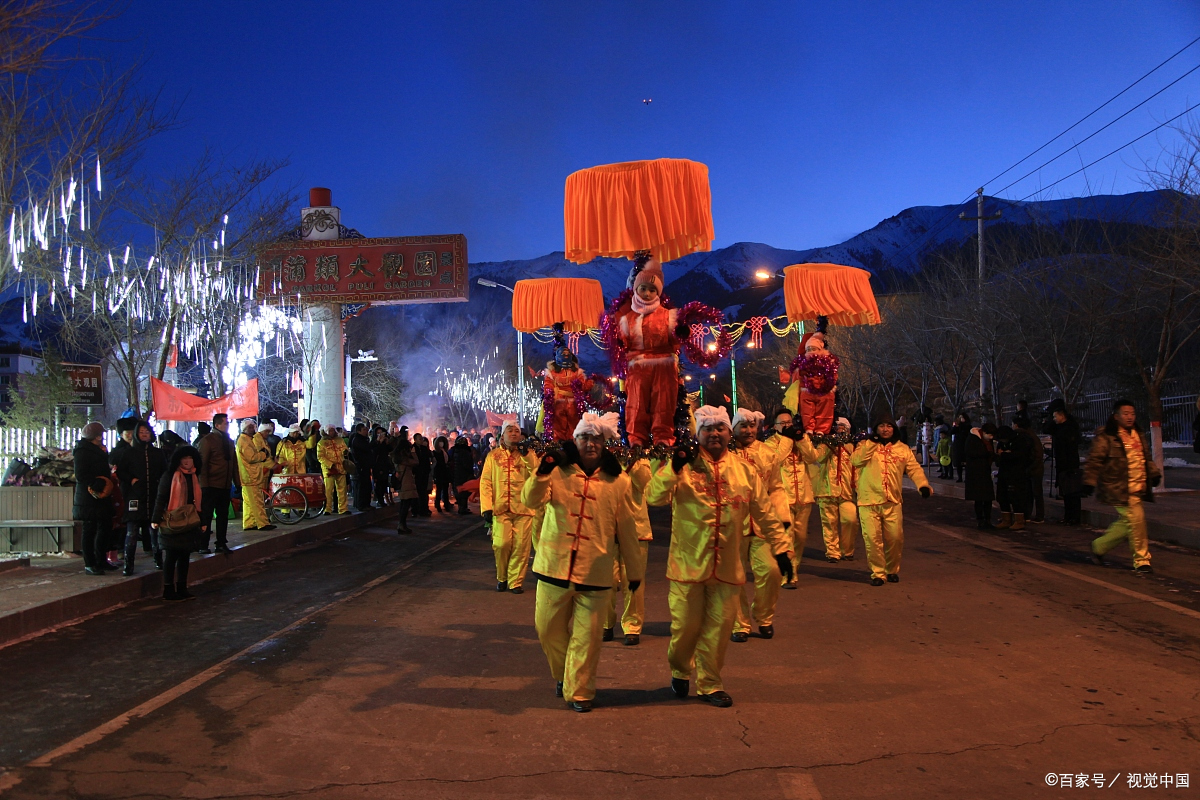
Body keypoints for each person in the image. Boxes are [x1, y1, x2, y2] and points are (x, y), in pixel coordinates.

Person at [646, 406, 792, 708]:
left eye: (720, 428)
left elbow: (764, 511)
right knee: (685, 630)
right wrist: (674, 467)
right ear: (697, 433)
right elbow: (653, 497)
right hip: (688, 567)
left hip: (727, 568)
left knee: (719, 630)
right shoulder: (682, 466)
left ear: (729, 433)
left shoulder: (744, 470)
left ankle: (710, 683)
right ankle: (680, 667)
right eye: (707, 429)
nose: (714, 433)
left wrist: (781, 548)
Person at [521, 411, 647, 712]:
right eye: (584, 437)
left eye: (596, 438)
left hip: (597, 572)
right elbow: (530, 500)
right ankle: (564, 675)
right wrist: (541, 471)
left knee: (588, 638)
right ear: (574, 440)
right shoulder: (555, 472)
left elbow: (627, 528)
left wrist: (634, 571)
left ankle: (580, 691)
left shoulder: (619, 481)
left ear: (605, 444)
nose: (590, 443)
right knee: (547, 630)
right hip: (554, 567)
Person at [729, 408, 792, 641]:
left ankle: (764, 616)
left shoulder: (767, 453)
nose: (748, 431)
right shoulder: (725, 454)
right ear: (733, 429)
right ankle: (740, 624)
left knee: (772, 571)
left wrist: (783, 518)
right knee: (734, 576)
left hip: (762, 522)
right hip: (733, 522)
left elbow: (776, 487)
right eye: (743, 426)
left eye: (752, 426)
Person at [850, 411, 932, 586]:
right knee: (872, 539)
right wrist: (872, 443)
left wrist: (922, 485)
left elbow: (914, 469)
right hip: (868, 501)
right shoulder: (865, 445)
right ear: (876, 428)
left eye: (888, 426)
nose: (885, 429)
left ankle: (891, 569)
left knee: (895, 538)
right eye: (881, 426)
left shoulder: (902, 449)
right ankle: (878, 573)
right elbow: (856, 461)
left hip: (892, 502)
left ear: (894, 428)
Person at [1083, 399, 1161, 573]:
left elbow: (1145, 458)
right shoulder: (1106, 436)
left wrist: (1154, 473)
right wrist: (1089, 482)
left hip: (1137, 487)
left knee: (1129, 522)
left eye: (1132, 414)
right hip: (1117, 487)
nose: (1130, 417)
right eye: (1125, 414)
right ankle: (1141, 560)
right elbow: (1095, 460)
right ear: (1116, 416)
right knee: (1137, 520)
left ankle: (1099, 547)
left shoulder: (1137, 434)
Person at [480, 420, 538, 592]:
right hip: (500, 508)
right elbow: (485, 482)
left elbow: (537, 473)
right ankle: (502, 577)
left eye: (516, 431)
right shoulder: (493, 456)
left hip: (524, 508)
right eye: (509, 431)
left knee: (521, 547)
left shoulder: (528, 454)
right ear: (503, 435)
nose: (513, 434)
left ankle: (516, 582)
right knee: (502, 544)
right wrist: (487, 507)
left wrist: (526, 455)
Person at [799, 416, 859, 564]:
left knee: (850, 520)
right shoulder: (825, 446)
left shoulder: (851, 448)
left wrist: (858, 486)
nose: (840, 430)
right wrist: (826, 442)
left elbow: (857, 468)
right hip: (826, 490)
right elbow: (816, 458)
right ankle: (833, 552)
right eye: (838, 427)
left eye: (843, 428)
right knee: (829, 523)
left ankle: (848, 550)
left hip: (846, 492)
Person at [607, 457, 653, 645]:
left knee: (632, 582)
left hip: (636, 529)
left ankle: (632, 626)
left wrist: (631, 459)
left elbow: (645, 484)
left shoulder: (640, 458)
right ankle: (605, 623)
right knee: (605, 580)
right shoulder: (598, 456)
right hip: (606, 530)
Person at [152, 445, 206, 601]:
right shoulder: (169, 476)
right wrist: (155, 519)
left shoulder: (196, 476)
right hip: (172, 520)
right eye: (184, 458)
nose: (187, 461)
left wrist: (202, 521)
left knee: (185, 555)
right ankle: (168, 589)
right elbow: (161, 497)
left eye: (190, 458)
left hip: (190, 521)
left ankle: (182, 587)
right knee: (171, 556)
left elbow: (201, 501)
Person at [115, 421, 167, 575]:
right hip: (135, 496)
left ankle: (159, 560)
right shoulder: (128, 453)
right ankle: (128, 564)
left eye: (147, 432)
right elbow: (121, 472)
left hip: (153, 497)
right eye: (141, 432)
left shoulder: (157, 453)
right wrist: (132, 480)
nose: (144, 435)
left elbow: (164, 472)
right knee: (131, 531)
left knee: (154, 530)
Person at [73, 421, 114, 575]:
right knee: (89, 529)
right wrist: (98, 483)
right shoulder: (82, 451)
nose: (102, 438)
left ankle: (101, 559)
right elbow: (81, 475)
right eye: (100, 435)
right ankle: (90, 563)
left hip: (100, 495)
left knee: (104, 527)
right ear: (94, 437)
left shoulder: (97, 450)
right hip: (89, 496)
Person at [198, 413, 237, 554]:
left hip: (225, 485)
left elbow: (234, 463)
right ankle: (203, 544)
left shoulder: (229, 441)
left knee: (223, 515)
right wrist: (204, 485)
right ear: (217, 425)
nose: (227, 425)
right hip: (210, 485)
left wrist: (237, 482)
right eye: (225, 423)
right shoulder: (208, 441)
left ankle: (221, 542)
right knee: (207, 516)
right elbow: (202, 464)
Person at [1044, 400, 1083, 525]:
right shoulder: (1058, 427)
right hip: (1062, 462)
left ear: (1061, 414)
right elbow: (1046, 429)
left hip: (1070, 463)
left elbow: (1071, 443)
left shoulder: (1070, 427)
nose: (1054, 419)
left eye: (1055, 416)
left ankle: (1074, 517)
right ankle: (1068, 516)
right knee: (1066, 491)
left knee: (1073, 492)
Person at [236, 419, 277, 531]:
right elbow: (251, 458)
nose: (253, 429)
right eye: (251, 427)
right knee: (257, 501)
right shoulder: (244, 441)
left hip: (248, 476)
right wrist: (263, 454)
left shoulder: (245, 440)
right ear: (245, 429)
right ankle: (262, 523)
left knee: (249, 502)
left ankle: (249, 522)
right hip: (251, 476)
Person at [992, 426, 1031, 531]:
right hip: (1004, 472)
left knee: (1016, 497)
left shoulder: (1020, 441)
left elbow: (1020, 457)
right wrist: (1004, 455)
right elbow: (998, 457)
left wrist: (1004, 454)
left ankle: (1019, 520)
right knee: (1002, 496)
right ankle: (1006, 519)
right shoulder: (1002, 443)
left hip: (1016, 474)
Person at [964, 423, 998, 528]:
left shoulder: (987, 441)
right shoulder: (973, 438)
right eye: (989, 435)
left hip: (985, 471)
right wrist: (987, 454)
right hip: (975, 472)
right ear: (984, 432)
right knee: (979, 498)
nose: (991, 437)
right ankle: (980, 520)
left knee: (988, 498)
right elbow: (971, 453)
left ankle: (987, 520)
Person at [1014, 415, 1045, 523]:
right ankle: (1029, 514)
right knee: (1030, 493)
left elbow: (1037, 454)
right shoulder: (1029, 435)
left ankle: (1039, 516)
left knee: (1036, 493)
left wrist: (1030, 467)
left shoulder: (1028, 436)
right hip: (1032, 467)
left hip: (1034, 468)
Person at [317, 423, 350, 515]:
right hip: (328, 470)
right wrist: (330, 465)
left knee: (342, 490)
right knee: (328, 490)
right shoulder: (321, 443)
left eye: (332, 430)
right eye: (329, 431)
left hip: (341, 468)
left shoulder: (340, 440)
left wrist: (346, 452)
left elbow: (344, 449)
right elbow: (320, 457)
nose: (331, 432)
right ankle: (327, 509)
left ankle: (343, 508)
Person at [391, 432, 419, 533]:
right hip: (406, 483)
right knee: (405, 505)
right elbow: (416, 462)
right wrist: (413, 452)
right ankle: (402, 525)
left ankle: (402, 524)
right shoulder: (404, 459)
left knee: (404, 504)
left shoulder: (397, 457)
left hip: (403, 482)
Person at [349, 423, 374, 512]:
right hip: (361, 466)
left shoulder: (364, 439)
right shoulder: (357, 440)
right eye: (364, 430)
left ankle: (367, 504)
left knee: (367, 486)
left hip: (366, 465)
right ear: (359, 431)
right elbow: (366, 448)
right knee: (362, 486)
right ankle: (361, 505)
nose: (366, 431)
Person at [450, 435, 476, 514]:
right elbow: (467, 464)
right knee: (464, 491)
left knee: (458, 490)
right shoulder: (465, 452)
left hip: (455, 474)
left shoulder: (453, 451)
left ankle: (461, 507)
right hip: (464, 475)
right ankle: (463, 508)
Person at [372, 427, 394, 506]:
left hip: (385, 465)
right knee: (379, 484)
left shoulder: (385, 442)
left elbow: (390, 449)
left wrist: (387, 443)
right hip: (377, 465)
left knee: (384, 482)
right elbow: (374, 452)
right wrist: (379, 442)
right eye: (378, 433)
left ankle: (384, 498)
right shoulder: (374, 442)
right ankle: (379, 499)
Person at [412, 432, 433, 516]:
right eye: (419, 439)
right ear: (415, 440)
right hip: (417, 473)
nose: (421, 440)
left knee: (424, 492)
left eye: (422, 438)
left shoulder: (424, 448)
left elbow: (429, 457)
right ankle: (416, 509)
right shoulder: (413, 449)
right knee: (417, 492)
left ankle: (424, 509)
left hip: (425, 473)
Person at [432, 435, 453, 512]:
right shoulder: (435, 453)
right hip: (439, 473)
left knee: (445, 489)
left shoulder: (445, 452)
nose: (441, 444)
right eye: (440, 442)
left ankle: (446, 505)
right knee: (439, 489)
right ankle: (437, 504)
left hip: (445, 472)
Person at [951, 412, 972, 483]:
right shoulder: (957, 426)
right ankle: (959, 477)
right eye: (960, 417)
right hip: (958, 446)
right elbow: (952, 432)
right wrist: (955, 426)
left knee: (966, 463)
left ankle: (967, 477)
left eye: (962, 417)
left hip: (965, 445)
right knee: (958, 463)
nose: (961, 419)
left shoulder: (968, 426)